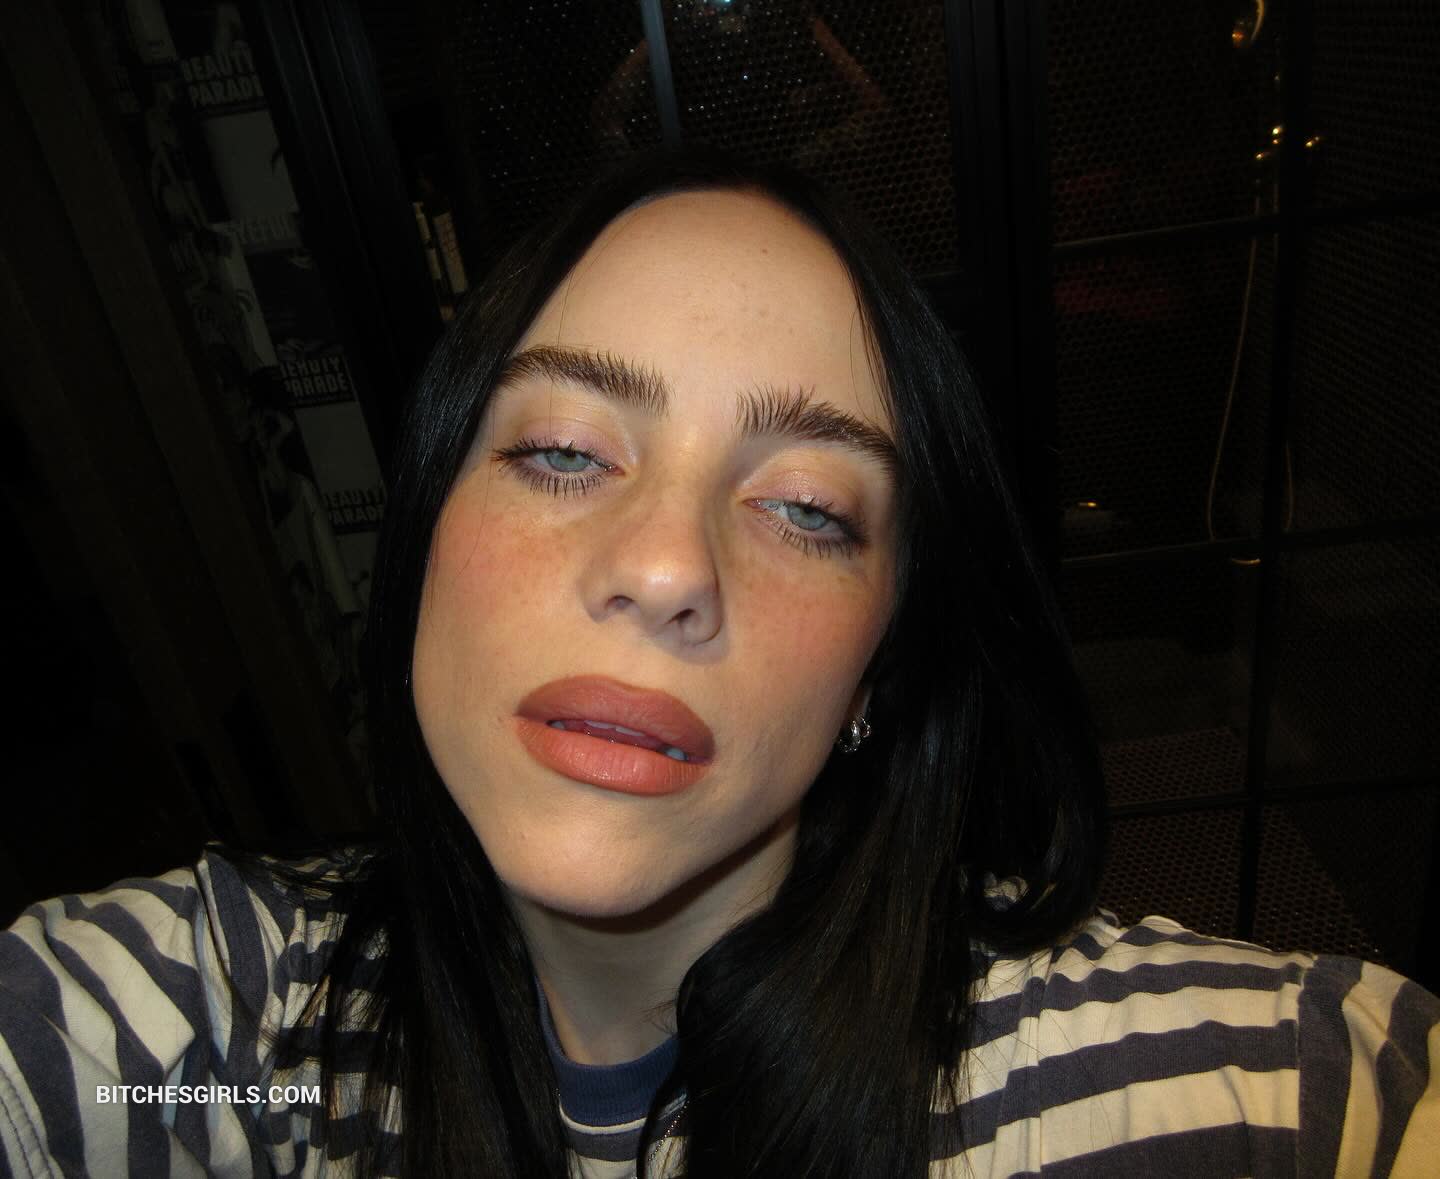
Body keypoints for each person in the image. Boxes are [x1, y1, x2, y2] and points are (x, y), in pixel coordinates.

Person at [2, 143, 1437, 1178]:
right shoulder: (199, 1043)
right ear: (428, 527)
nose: (666, 567)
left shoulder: (1244, 1094)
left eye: (807, 508)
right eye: (565, 451)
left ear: (876, 674)